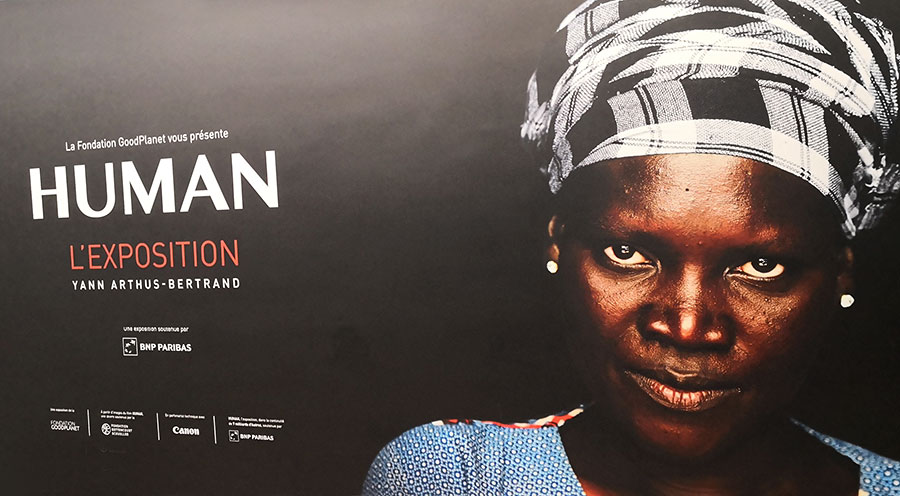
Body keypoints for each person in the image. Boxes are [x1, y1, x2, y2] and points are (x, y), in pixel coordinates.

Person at [363, 0, 900, 494]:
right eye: (627, 254)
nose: (687, 327)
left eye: (762, 265)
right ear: (558, 245)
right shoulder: (455, 477)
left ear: (840, 273)